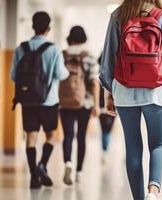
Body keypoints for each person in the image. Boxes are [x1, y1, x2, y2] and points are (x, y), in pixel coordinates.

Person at [99, 0, 162, 199]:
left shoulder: (118, 16)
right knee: (158, 144)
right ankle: (153, 192)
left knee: (132, 148)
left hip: (124, 92)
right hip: (156, 92)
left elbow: (108, 61)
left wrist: (108, 93)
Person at [10, 11, 69, 189]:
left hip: (27, 101)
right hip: (48, 101)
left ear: (33, 27)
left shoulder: (21, 48)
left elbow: (13, 75)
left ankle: (33, 176)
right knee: (50, 135)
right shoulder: (54, 49)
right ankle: (42, 164)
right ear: (48, 28)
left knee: (30, 137)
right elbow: (61, 74)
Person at [59, 26, 100, 185]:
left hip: (65, 102)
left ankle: (68, 162)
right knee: (81, 137)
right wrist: (96, 105)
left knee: (68, 135)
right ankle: (78, 172)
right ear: (84, 38)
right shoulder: (88, 56)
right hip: (85, 102)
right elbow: (94, 82)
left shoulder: (62, 55)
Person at [97, 54, 116, 163]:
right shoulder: (113, 72)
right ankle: (105, 151)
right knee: (107, 130)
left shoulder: (98, 73)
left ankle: (104, 151)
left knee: (104, 130)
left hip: (101, 107)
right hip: (111, 105)